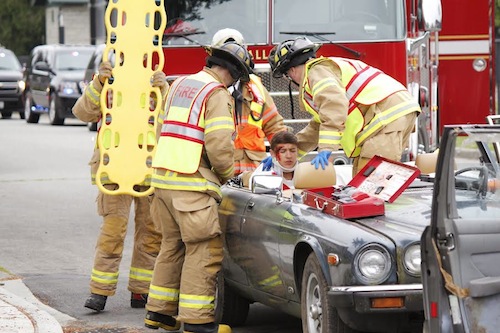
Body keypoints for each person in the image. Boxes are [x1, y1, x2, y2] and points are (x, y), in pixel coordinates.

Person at [143, 41, 254, 333]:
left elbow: (162, 130)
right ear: (231, 71)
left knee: (172, 245)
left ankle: (159, 313)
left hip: (163, 182)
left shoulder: (180, 84)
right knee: (203, 249)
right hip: (190, 185)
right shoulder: (215, 94)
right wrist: (229, 173)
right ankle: (197, 321)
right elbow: (218, 144)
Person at [72, 60, 167, 311]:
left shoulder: (155, 83)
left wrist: (164, 91)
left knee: (151, 233)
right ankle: (100, 292)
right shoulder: (107, 81)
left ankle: (141, 291)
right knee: (113, 232)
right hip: (113, 168)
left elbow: (171, 121)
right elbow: (82, 112)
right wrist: (99, 83)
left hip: (147, 169)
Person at [268, 36, 421, 175]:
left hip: (385, 117)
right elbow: (320, 125)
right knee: (362, 179)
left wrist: (327, 148)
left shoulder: (315, 73)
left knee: (370, 182)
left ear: (292, 71)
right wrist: (284, 153)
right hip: (389, 115)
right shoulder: (321, 71)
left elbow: (334, 107)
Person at [211, 28, 286, 175]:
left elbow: (274, 126)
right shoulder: (208, 88)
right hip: (219, 175)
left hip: (253, 174)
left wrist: (282, 153)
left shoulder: (256, 89)